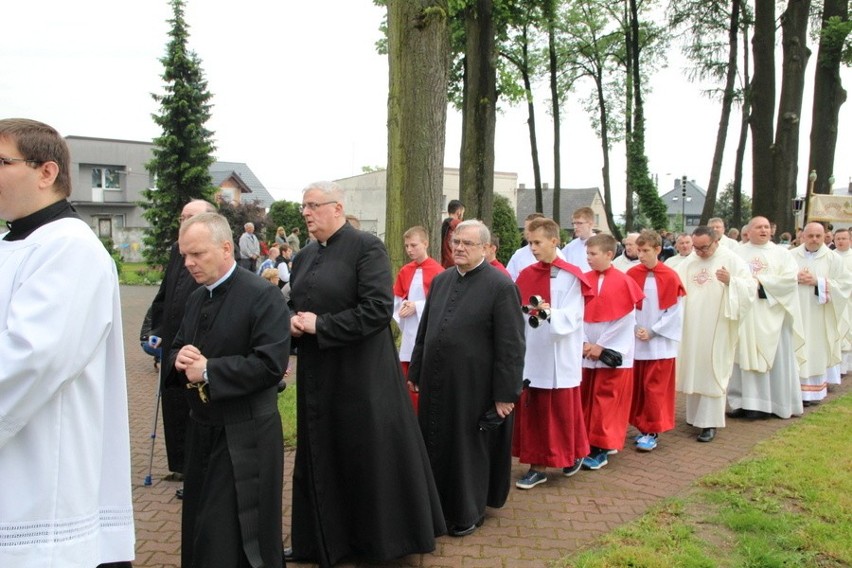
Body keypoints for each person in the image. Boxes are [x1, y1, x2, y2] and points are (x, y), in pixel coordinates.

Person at [0, 118, 135, 567]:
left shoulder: (69, 248)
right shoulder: (16, 243)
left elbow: (30, 359)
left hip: (40, 484)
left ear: (46, 172)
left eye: (1, 162)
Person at [288, 181, 445, 566]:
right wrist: (292, 323)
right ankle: (317, 541)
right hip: (317, 375)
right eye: (303, 206)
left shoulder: (366, 248)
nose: (306, 213)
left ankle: (375, 543)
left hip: (361, 376)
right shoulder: (304, 256)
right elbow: (297, 305)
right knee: (318, 454)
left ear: (337, 208)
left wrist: (320, 325)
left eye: (313, 205)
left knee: (364, 455)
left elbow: (377, 310)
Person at [171, 212, 289, 568]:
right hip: (203, 430)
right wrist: (180, 358)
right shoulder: (196, 298)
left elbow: (270, 365)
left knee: (235, 532)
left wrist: (208, 368)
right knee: (200, 525)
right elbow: (178, 348)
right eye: (185, 255)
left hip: (245, 434)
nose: (189, 263)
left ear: (226, 248)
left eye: (197, 254)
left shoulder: (263, 296)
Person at [409, 220, 525, 537]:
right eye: (456, 241)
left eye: (467, 244)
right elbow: (426, 330)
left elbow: (512, 346)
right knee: (434, 443)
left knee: (465, 449)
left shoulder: (501, 286)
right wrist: (416, 369)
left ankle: (468, 511)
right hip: (436, 382)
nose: (459, 247)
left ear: (486, 249)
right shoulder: (443, 280)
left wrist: (506, 394)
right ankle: (436, 507)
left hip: (473, 387)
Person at [512, 217, 591, 489]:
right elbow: (518, 309)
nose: (532, 248)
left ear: (554, 241)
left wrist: (546, 313)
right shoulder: (527, 273)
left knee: (561, 409)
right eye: (530, 242)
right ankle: (538, 465)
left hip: (558, 352)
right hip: (533, 351)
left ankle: (571, 454)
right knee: (535, 409)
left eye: (538, 242)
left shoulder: (571, 274)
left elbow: (573, 315)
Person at [146, 198, 216, 492]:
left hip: (197, 347)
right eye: (182, 218)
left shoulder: (212, 254)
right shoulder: (178, 252)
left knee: (193, 410)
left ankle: (197, 474)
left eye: (192, 218)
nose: (184, 224)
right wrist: (155, 329)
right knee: (173, 406)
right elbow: (165, 294)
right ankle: (181, 466)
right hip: (172, 344)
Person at [676, 226, 756, 442]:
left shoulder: (731, 259)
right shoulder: (690, 261)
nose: (700, 252)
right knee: (695, 368)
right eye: (697, 247)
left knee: (713, 369)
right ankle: (694, 417)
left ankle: (709, 423)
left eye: (704, 247)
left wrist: (732, 281)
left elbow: (751, 289)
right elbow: (676, 285)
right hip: (693, 326)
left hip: (718, 326)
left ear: (715, 241)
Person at [728, 216, 804, 420]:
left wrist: (756, 283)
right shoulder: (736, 253)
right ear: (748, 232)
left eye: (766, 227)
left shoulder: (782, 254)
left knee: (774, 360)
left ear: (771, 231)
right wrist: (741, 284)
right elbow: (729, 279)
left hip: (772, 315)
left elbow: (789, 281)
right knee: (741, 357)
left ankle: (772, 403)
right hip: (745, 315)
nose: (763, 230)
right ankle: (743, 403)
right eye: (758, 227)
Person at [580, 234, 645, 469]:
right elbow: (577, 313)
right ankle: (586, 442)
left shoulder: (624, 281)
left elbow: (625, 318)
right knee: (586, 398)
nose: (588, 258)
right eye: (587, 254)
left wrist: (601, 346)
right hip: (587, 352)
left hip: (611, 352)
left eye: (593, 254)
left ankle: (602, 447)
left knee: (606, 401)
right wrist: (584, 342)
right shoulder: (583, 280)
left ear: (609, 255)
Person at [626, 230, 686, 452]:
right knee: (638, 388)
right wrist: (634, 327)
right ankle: (642, 426)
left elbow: (674, 312)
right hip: (637, 340)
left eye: (646, 251)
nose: (641, 255)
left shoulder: (670, 276)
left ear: (658, 250)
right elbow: (626, 305)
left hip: (659, 344)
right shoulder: (632, 274)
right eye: (638, 250)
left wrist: (653, 331)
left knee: (655, 390)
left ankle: (652, 431)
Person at [791, 222, 850, 404]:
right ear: (803, 237)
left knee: (814, 350)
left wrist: (818, 282)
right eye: (810, 236)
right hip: (795, 313)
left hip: (819, 314)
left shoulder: (833, 259)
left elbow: (845, 285)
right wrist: (795, 279)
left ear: (825, 236)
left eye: (818, 236)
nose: (815, 239)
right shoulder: (790, 256)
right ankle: (793, 391)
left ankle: (811, 394)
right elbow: (779, 280)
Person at [393, 225, 444, 411]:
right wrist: (404, 306)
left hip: (428, 331)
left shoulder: (438, 271)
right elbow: (397, 299)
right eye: (406, 246)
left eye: (413, 245)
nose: (409, 250)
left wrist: (417, 306)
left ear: (425, 243)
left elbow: (440, 304)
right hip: (409, 331)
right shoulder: (405, 270)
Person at [832, 228, 852, 373]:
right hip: (835, 300)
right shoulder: (831, 257)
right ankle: (839, 368)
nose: (840, 241)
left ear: (850, 240)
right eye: (838, 238)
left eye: (843, 238)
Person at [506, 212, 546, 280]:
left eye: (530, 228)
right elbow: (509, 279)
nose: (527, 232)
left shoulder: (555, 254)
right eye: (525, 228)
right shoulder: (518, 254)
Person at [561, 206, 594, 271]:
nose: (575, 227)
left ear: (590, 224)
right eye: (573, 223)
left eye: (579, 223)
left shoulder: (600, 245)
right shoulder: (570, 247)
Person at [440, 199, 465, 268]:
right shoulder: (460, 226)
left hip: (443, 263)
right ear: (458, 212)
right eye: (463, 213)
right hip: (453, 264)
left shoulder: (443, 224)